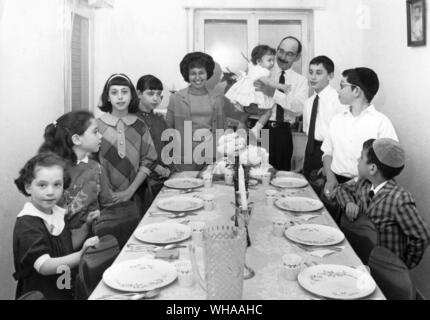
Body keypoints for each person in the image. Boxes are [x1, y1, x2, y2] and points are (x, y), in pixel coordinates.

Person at [13, 152, 100, 299]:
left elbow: (66, 245)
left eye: (57, 185)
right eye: (42, 185)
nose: (50, 192)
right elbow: (44, 266)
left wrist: (86, 227)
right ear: (28, 187)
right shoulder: (28, 224)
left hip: (63, 285)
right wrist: (80, 255)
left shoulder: (55, 212)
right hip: (43, 293)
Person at [336, 138, 430, 269]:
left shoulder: (400, 198)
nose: (358, 160)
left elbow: (422, 236)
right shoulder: (363, 183)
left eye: (361, 157)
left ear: (372, 168)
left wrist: (403, 265)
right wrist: (348, 203)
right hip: (362, 260)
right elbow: (342, 188)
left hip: (384, 267)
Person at [322, 67, 398, 200]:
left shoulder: (381, 123)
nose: (338, 90)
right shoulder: (337, 119)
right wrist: (330, 178)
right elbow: (327, 152)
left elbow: (387, 166)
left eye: (342, 86)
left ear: (356, 91)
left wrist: (350, 185)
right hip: (335, 182)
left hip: (366, 188)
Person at [39, 111, 114, 230]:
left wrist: (102, 215)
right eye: (95, 132)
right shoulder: (54, 171)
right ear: (77, 139)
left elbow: (108, 205)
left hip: (93, 238)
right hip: (61, 240)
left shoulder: (97, 168)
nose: (100, 136)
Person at [97, 73, 158, 216]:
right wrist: (107, 193)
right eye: (114, 92)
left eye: (124, 92)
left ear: (132, 96)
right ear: (107, 97)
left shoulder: (139, 125)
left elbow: (148, 159)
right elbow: (92, 164)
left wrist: (129, 191)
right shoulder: (96, 126)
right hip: (102, 197)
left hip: (136, 194)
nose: (120, 97)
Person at [248, 36, 309, 171]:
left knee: (280, 177)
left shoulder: (301, 81)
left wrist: (272, 93)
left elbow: (298, 108)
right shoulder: (262, 72)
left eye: (290, 54)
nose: (283, 57)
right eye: (281, 51)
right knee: (256, 173)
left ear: (297, 57)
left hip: (282, 133)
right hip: (259, 129)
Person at [166, 52, 226, 171]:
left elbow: (221, 127)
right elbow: (168, 128)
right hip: (184, 155)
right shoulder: (176, 97)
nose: (197, 77)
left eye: (201, 73)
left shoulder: (217, 97)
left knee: (210, 188)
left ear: (207, 73)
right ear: (187, 75)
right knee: (186, 186)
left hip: (211, 153)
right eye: (193, 73)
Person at [225, 45, 291, 137]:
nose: (272, 63)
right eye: (269, 60)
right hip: (255, 105)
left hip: (246, 104)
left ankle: (241, 124)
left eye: (273, 60)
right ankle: (256, 130)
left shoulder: (253, 67)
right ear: (259, 61)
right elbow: (269, 82)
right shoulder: (263, 71)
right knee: (268, 112)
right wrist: (281, 86)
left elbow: (247, 72)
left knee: (246, 112)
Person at [302, 56, 344, 192]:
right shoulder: (309, 102)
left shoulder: (338, 101)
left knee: (325, 198)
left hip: (328, 154)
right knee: (308, 193)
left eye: (319, 73)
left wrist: (330, 167)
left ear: (330, 76)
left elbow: (341, 138)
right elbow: (308, 133)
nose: (313, 77)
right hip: (310, 151)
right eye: (311, 72)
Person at [136, 74, 175, 196]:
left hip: (163, 178)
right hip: (141, 181)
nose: (155, 98)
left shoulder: (160, 120)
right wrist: (155, 167)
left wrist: (168, 167)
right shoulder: (131, 120)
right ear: (139, 93)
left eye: (159, 94)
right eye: (151, 94)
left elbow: (170, 147)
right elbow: (135, 152)